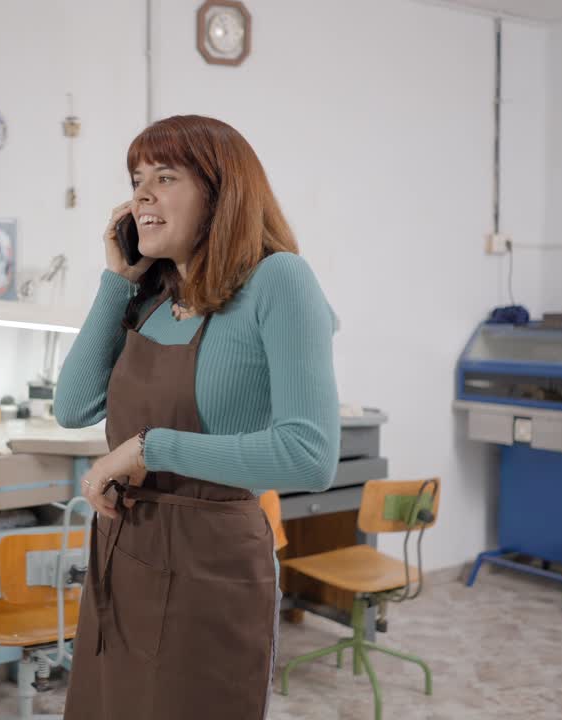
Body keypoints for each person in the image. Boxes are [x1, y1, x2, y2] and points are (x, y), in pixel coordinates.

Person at [53, 115, 340, 719]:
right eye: (136, 180)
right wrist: (116, 280)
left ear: (220, 193)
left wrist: (146, 449)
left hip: (208, 570)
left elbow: (309, 457)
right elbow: (72, 406)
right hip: (123, 559)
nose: (142, 195)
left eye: (165, 177)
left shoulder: (278, 281)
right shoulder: (153, 296)